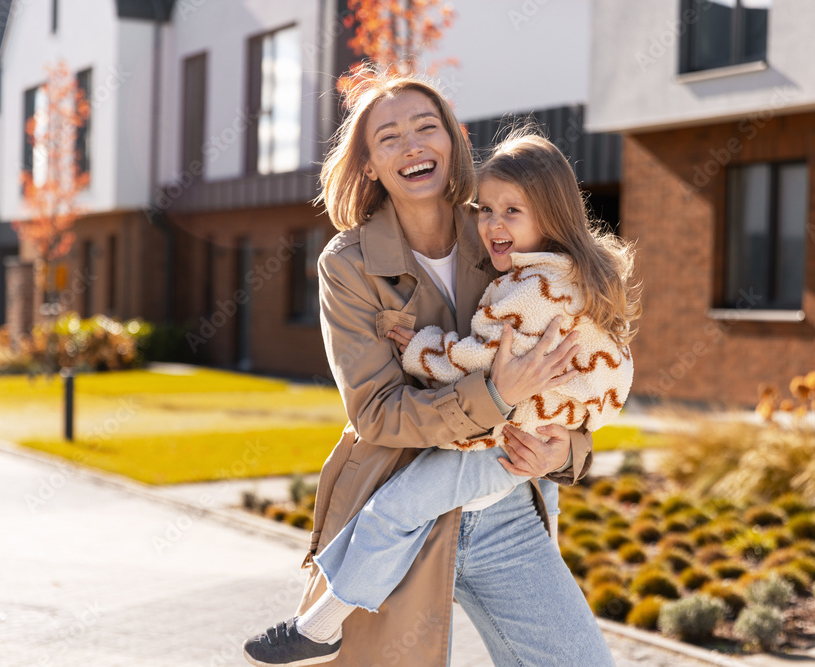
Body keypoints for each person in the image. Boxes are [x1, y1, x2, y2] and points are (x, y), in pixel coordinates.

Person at [243, 71, 622, 667]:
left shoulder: (505, 233)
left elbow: (575, 370)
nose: (413, 144)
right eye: (389, 137)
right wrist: (494, 394)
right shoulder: (348, 266)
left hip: (504, 510)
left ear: (453, 141)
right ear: (368, 164)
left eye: (427, 126)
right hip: (397, 514)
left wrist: (565, 454)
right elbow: (376, 413)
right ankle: (319, 627)